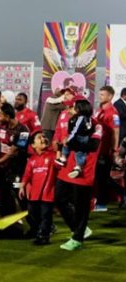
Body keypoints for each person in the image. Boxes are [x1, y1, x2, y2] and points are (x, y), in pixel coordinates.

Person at [55, 99, 102, 251]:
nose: (69, 109)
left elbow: (93, 146)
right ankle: (79, 229)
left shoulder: (96, 125)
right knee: (59, 198)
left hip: (84, 170)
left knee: (81, 205)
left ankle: (77, 238)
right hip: (66, 167)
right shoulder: (70, 120)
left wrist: (70, 143)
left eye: (72, 107)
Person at [0, 103, 30, 218]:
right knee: (4, 194)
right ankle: (7, 222)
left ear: (8, 116)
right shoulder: (1, 126)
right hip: (2, 169)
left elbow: (13, 153)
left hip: (17, 169)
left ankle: (38, 224)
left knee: (20, 195)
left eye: (1, 114)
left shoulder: (23, 130)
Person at [18, 132, 56, 245]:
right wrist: (22, 186)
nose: (43, 139)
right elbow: (27, 174)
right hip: (35, 193)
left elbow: (60, 166)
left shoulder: (53, 155)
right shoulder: (32, 160)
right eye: (39, 138)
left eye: (44, 136)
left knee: (45, 215)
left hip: (48, 192)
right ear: (33, 145)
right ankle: (44, 229)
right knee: (32, 213)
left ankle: (43, 236)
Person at [93, 86, 121, 211]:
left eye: (103, 94)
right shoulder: (99, 110)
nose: (100, 96)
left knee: (102, 177)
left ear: (110, 96)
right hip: (96, 149)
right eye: (100, 94)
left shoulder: (113, 113)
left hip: (105, 150)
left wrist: (114, 150)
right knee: (99, 176)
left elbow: (116, 132)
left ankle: (102, 204)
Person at [56, 99, 93, 179]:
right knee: (80, 153)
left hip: (78, 137)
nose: (69, 109)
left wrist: (69, 139)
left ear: (78, 109)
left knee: (68, 145)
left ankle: (63, 158)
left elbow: (75, 130)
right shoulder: (89, 118)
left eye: (73, 107)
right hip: (85, 138)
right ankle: (78, 167)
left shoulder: (80, 118)